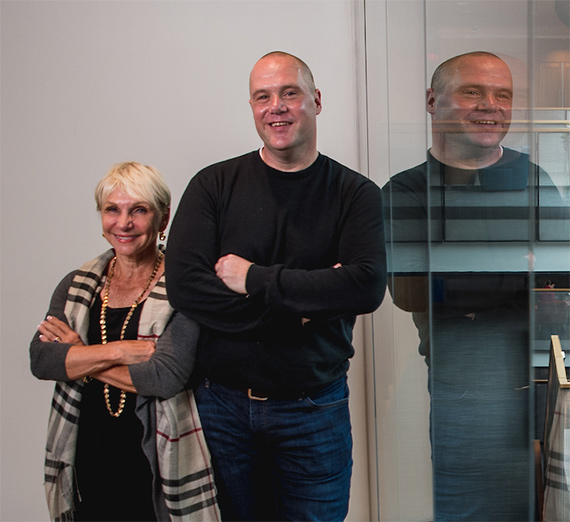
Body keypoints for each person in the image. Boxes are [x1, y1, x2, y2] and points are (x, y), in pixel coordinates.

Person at [165, 51, 386, 521]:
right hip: (221, 406)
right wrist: (304, 304)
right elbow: (186, 287)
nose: (276, 107)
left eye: (289, 93)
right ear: (252, 106)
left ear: (316, 100)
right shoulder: (213, 185)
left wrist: (253, 279)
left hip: (314, 410)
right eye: (262, 96)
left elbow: (365, 287)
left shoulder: (355, 193)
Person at [382, 51, 566, 520]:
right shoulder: (405, 193)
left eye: (502, 95)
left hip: (547, 384)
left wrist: (467, 278)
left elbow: (560, 285)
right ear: (432, 101)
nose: (491, 105)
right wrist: (517, 273)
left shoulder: (531, 179)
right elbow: (413, 292)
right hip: (467, 393)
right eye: (473, 91)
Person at [30, 162, 220, 521]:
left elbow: (164, 377)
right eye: (112, 210)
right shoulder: (77, 285)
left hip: (155, 461)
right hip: (86, 450)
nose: (124, 223)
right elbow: (41, 360)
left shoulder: (185, 287)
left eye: (139, 210)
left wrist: (76, 355)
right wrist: (120, 350)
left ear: (163, 220)